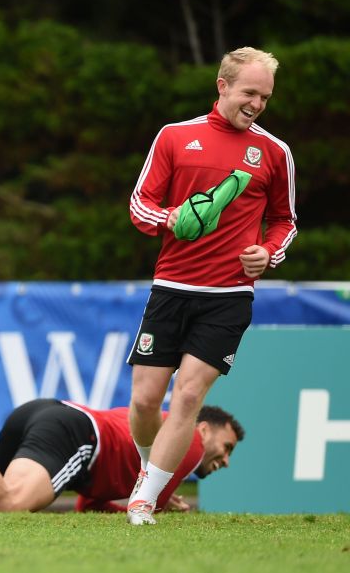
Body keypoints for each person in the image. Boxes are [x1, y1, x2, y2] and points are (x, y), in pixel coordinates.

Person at [125, 47, 297, 525]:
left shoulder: (274, 152)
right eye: (249, 93)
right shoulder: (176, 137)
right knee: (143, 399)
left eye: (265, 96)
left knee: (187, 396)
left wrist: (270, 252)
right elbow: (140, 206)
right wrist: (170, 217)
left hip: (229, 296)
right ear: (222, 86)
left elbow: (285, 221)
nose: (257, 104)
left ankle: (144, 501)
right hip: (172, 287)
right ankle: (149, 467)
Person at [0, 400, 242, 514]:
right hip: (76, 433)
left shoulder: (155, 458)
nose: (224, 460)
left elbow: (87, 503)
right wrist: (163, 504)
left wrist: (155, 498)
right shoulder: (189, 439)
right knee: (12, 505)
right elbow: (144, 508)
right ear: (205, 429)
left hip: (47, 414)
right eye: (226, 448)